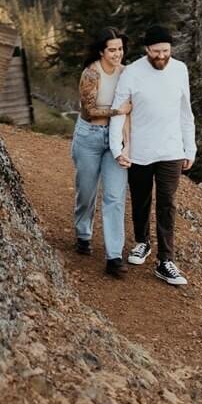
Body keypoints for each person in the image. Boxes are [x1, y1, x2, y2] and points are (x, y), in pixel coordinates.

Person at [108, 25, 195, 287]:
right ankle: (142, 242)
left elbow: (185, 112)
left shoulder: (180, 69)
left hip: (171, 149)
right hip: (140, 150)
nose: (161, 56)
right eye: (156, 51)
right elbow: (119, 110)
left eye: (166, 51)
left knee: (167, 201)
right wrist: (116, 148)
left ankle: (165, 260)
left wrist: (190, 148)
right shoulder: (133, 73)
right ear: (147, 50)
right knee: (141, 199)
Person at [70, 28, 131, 276]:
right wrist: (118, 111)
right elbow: (90, 110)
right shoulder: (91, 73)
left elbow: (133, 107)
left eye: (120, 49)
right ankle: (83, 233)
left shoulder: (127, 73)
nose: (117, 54)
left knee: (115, 197)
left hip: (115, 139)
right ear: (101, 51)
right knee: (86, 190)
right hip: (90, 137)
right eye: (112, 49)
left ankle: (114, 256)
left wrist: (127, 136)